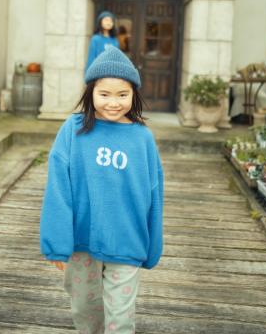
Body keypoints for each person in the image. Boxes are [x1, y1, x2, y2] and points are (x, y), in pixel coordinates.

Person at [40, 45, 164, 334]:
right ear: (90, 92)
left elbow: (154, 193)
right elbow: (58, 187)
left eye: (122, 94)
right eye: (104, 94)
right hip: (82, 240)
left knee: (121, 318)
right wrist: (57, 242)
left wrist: (152, 245)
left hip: (127, 239)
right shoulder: (73, 130)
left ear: (134, 94)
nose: (113, 103)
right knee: (85, 308)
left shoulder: (142, 138)